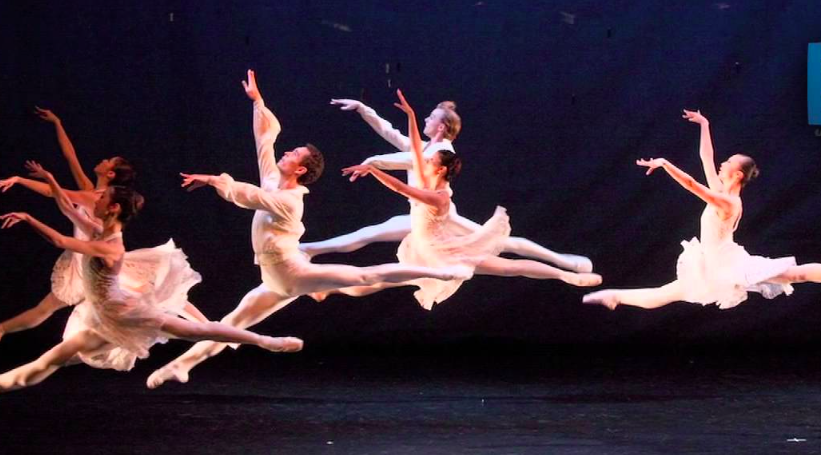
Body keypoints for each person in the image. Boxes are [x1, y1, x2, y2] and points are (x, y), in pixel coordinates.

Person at [146, 71, 469, 389]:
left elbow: (249, 196)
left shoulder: (290, 200)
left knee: (364, 277)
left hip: (294, 273)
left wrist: (214, 180)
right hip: (274, 278)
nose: (286, 153)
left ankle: (440, 273)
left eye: (293, 154)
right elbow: (265, 142)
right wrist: (258, 103)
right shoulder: (273, 180)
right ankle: (180, 366)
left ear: (300, 169)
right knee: (232, 322)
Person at [0, 181, 302, 393]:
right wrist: (50, 180)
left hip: (126, 314)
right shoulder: (98, 230)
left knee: (198, 330)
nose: (96, 201)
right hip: (101, 316)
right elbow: (69, 209)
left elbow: (60, 241)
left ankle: (266, 341)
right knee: (50, 361)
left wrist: (29, 218)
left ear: (113, 208)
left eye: (101, 199)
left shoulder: (109, 246)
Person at [315, 90, 602, 309]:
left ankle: (563, 263)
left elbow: (403, 163)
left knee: (506, 247)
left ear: (441, 128)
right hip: (421, 225)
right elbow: (399, 138)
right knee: (373, 242)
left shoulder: (440, 155)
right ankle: (313, 259)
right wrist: (366, 110)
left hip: (441, 225)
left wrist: (371, 164)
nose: (427, 120)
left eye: (430, 117)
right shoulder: (428, 150)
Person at [583, 110, 821, 310]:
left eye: (728, 162)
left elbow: (691, 184)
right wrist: (704, 125)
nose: (722, 164)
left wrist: (665, 163)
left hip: (728, 264)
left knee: (794, 274)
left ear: (737, 174)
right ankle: (615, 296)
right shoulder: (722, 192)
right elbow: (706, 157)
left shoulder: (729, 203)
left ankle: (614, 296)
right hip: (710, 264)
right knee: (662, 294)